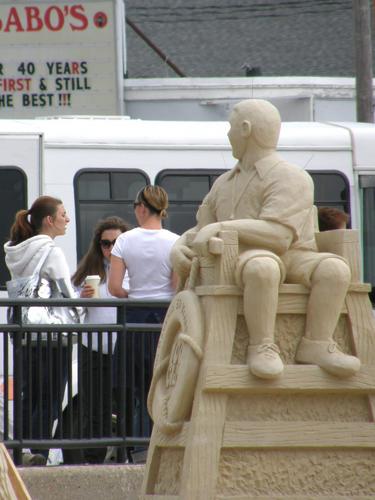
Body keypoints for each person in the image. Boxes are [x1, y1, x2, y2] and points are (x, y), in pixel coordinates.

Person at [170, 99, 360, 380]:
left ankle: (316, 343)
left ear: (246, 129)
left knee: (335, 269)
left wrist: (222, 226)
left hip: (294, 254)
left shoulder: (290, 176)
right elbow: (203, 228)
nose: (228, 134)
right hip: (242, 259)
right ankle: (261, 346)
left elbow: (279, 236)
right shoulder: (224, 183)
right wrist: (177, 247)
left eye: (231, 127)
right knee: (263, 266)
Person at [4, 195, 77, 466]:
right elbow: (67, 295)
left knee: (29, 395)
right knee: (49, 398)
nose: (67, 219)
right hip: (52, 333)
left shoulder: (17, 251)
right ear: (50, 220)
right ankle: (39, 451)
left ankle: (21, 449)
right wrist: (82, 309)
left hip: (24, 330)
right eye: (63, 214)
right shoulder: (52, 251)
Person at [108, 185, 179, 462]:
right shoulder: (176, 241)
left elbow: (114, 288)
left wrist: (134, 293)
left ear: (141, 207)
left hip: (134, 316)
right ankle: (161, 444)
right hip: (165, 317)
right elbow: (176, 286)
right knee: (162, 383)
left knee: (135, 387)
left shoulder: (124, 241)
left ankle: (136, 448)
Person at [71, 215, 130, 464]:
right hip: (93, 346)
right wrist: (81, 298)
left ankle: (129, 454)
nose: (110, 248)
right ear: (98, 245)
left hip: (123, 348)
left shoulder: (133, 267)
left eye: (115, 242)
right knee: (93, 407)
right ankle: (93, 458)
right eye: (105, 244)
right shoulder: (89, 270)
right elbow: (71, 307)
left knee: (129, 404)